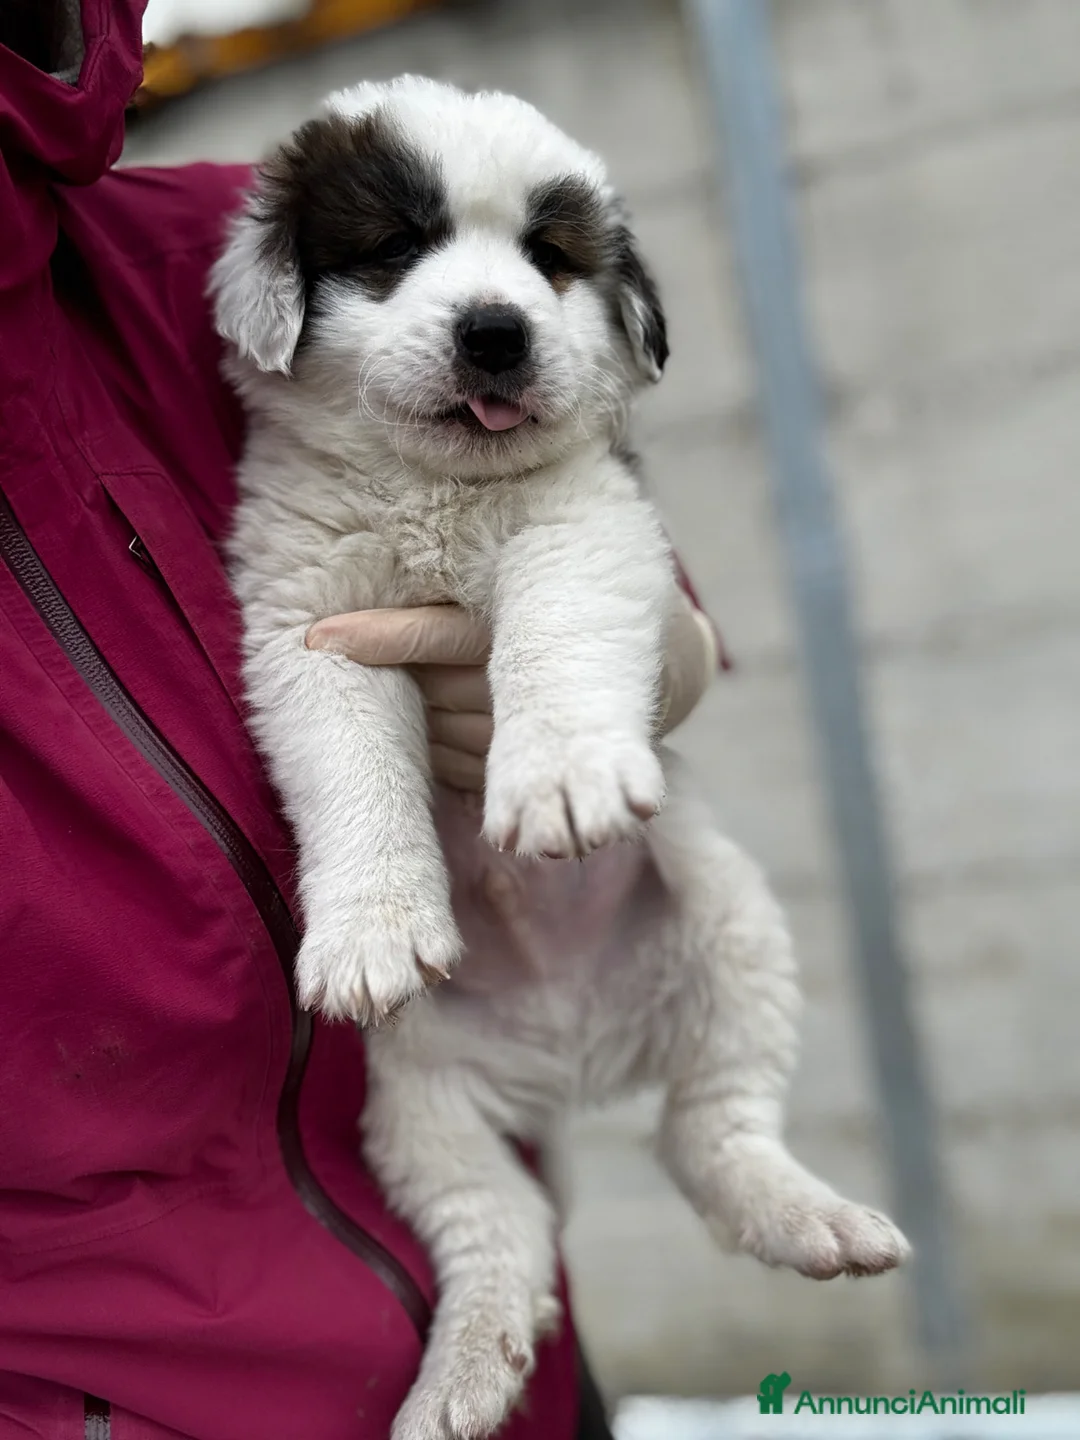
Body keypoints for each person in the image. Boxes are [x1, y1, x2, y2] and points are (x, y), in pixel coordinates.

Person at [0, 3, 723, 1437]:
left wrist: (644, 658)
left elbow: (584, 504)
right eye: (395, 260)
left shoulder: (185, 255)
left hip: (505, 1330)